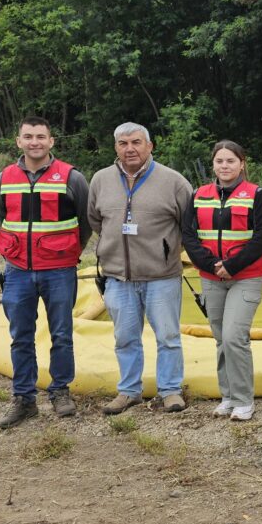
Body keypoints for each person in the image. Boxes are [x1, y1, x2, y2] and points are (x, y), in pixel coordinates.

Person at [88, 122, 194, 415]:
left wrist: (166, 251)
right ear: (116, 148)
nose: (130, 148)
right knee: (125, 338)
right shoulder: (101, 180)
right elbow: (96, 220)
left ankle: (170, 390)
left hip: (162, 276)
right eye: (123, 143)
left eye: (136, 142)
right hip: (118, 277)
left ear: (150, 146)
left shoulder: (174, 182)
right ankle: (128, 391)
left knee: (168, 337)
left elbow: (190, 226)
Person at [0, 117, 91, 428]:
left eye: (41, 137)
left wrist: (68, 252)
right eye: (28, 137)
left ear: (51, 141)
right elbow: (0, 219)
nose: (35, 142)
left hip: (59, 270)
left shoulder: (72, 178)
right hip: (18, 270)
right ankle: (23, 398)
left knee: (61, 335)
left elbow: (86, 223)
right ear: (18, 141)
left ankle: (60, 390)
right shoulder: (3, 179)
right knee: (20, 336)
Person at [181, 141, 262, 421]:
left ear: (242, 163)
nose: (225, 166)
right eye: (220, 161)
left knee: (234, 337)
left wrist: (232, 265)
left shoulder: (256, 195)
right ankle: (228, 396)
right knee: (221, 339)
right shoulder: (198, 195)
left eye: (231, 161)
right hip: (211, 277)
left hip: (245, 276)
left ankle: (245, 399)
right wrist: (211, 265)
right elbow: (188, 235)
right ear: (213, 165)